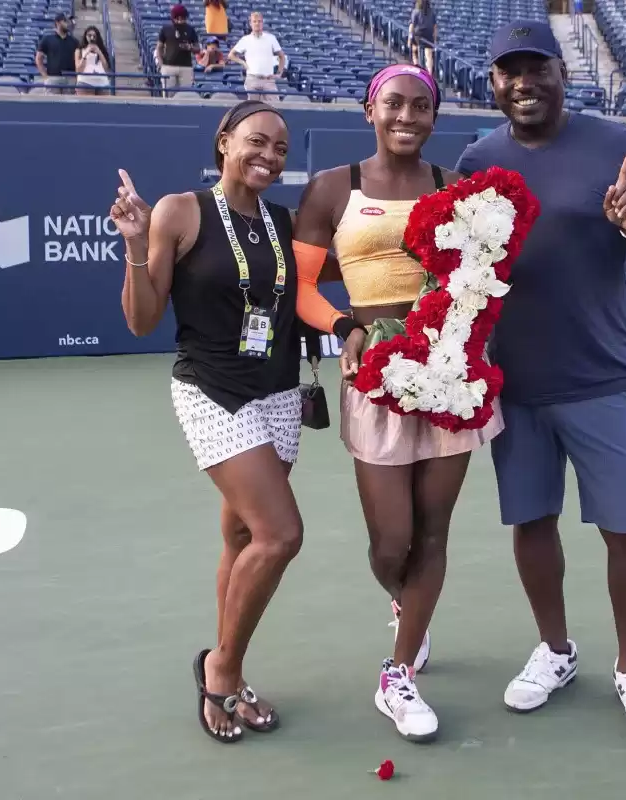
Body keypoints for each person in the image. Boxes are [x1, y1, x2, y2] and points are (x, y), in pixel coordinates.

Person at [453, 21, 626, 743]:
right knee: (531, 523)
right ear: (492, 82)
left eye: (536, 68)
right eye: (507, 71)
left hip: (601, 378)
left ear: (562, 72)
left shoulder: (617, 144)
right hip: (513, 385)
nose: (522, 82)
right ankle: (555, 651)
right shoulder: (476, 158)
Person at [290, 63, 503, 743]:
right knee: (391, 541)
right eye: (394, 104)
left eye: (421, 106)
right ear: (369, 111)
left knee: (433, 533)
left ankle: (399, 671)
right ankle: (405, 603)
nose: (408, 116)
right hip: (375, 371)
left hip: (451, 369)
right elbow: (302, 292)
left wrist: (464, 322)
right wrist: (345, 327)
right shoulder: (331, 188)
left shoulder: (455, 188)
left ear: (435, 117)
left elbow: (479, 272)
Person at [109, 100, 303, 745]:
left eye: (279, 148)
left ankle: (234, 669)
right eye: (256, 142)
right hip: (212, 392)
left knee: (242, 541)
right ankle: (219, 669)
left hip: (276, 394)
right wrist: (137, 245)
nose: (269, 157)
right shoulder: (179, 210)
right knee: (279, 535)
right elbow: (141, 319)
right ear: (224, 141)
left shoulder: (281, 220)